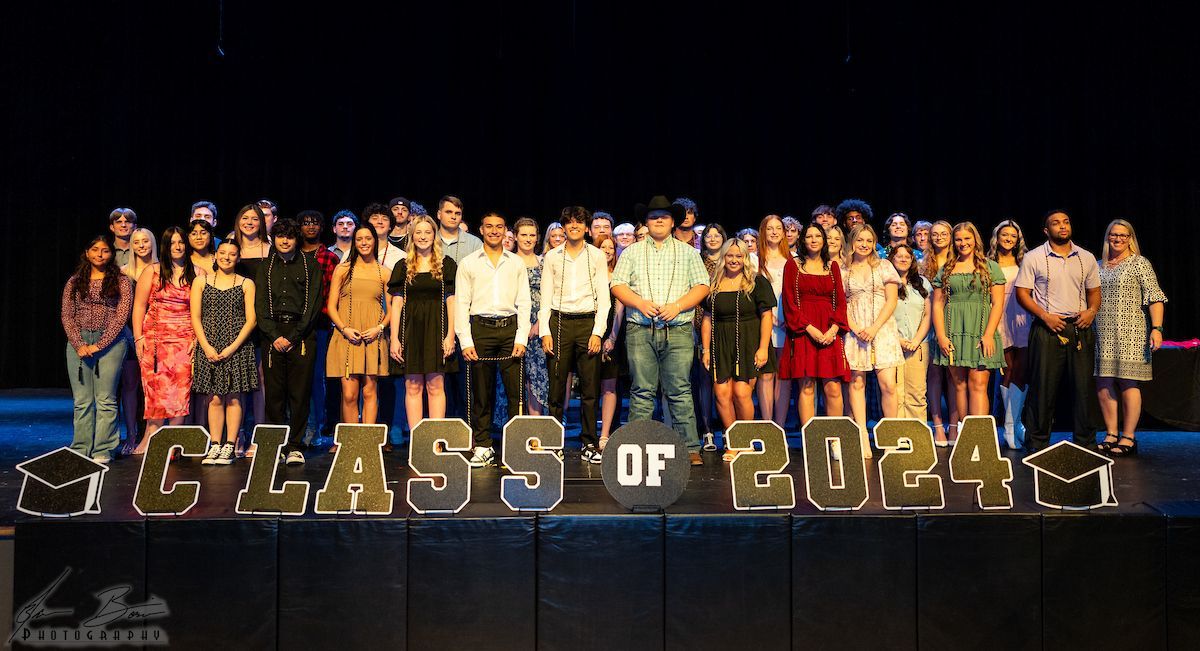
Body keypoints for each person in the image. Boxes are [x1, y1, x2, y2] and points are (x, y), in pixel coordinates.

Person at [611, 195, 711, 466]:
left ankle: (690, 447)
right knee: (641, 390)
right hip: (640, 330)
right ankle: (636, 447)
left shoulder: (688, 252)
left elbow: (702, 286)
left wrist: (678, 306)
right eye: (653, 216)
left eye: (664, 216)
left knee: (679, 390)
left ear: (672, 222)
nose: (658, 220)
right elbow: (617, 285)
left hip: (677, 331)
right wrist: (639, 302)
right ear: (646, 221)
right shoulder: (632, 252)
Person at [1014, 210, 1102, 453]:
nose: (1062, 226)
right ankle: (1037, 443)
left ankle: (1085, 443)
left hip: (1079, 328)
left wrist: (1091, 311)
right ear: (1046, 230)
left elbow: (1094, 292)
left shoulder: (1086, 257)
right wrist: (1045, 316)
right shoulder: (1034, 257)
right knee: (1043, 388)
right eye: (1056, 223)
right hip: (1047, 327)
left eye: (1066, 222)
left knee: (1083, 388)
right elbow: (1022, 293)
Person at [455, 212, 532, 466]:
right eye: (489, 226)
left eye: (499, 226)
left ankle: (514, 447)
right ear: (481, 229)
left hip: (509, 329)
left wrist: (522, 337)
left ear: (505, 230)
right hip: (480, 329)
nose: (494, 231)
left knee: (514, 394)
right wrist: (465, 340)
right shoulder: (468, 263)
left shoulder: (516, 263)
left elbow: (524, 302)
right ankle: (484, 446)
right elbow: (462, 303)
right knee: (481, 394)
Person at [539, 207, 611, 463]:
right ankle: (554, 443)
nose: (574, 227)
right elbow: (545, 298)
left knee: (590, 390)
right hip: (559, 322)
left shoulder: (596, 256)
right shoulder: (552, 257)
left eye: (579, 222)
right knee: (556, 389)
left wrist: (598, 332)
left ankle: (589, 443)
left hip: (587, 322)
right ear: (564, 227)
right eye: (569, 223)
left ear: (586, 227)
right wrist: (545, 331)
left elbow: (604, 298)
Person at [1094, 219, 1166, 457]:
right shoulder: (1098, 265)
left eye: (1123, 236)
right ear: (1107, 237)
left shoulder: (1139, 263)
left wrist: (1157, 328)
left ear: (1130, 238)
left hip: (1131, 331)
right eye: (1114, 235)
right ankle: (1111, 433)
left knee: (1127, 382)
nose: (1118, 239)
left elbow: (1155, 296)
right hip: (1102, 331)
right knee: (1104, 382)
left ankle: (1128, 437)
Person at [256, 218, 324, 465]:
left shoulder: (309, 265)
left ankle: (295, 446)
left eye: (290, 236)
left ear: (297, 239)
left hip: (301, 334)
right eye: (280, 236)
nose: (285, 240)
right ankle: (276, 445)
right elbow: (260, 305)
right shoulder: (266, 267)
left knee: (299, 393)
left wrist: (294, 336)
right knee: (274, 394)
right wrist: (274, 336)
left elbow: (314, 305)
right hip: (272, 334)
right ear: (274, 239)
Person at [701, 239, 776, 462]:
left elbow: (766, 316)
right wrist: (705, 350)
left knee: (742, 393)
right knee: (722, 394)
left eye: (738, 256)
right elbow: (707, 319)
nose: (734, 260)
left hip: (749, 341)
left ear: (745, 258)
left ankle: (745, 440)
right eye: (729, 256)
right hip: (720, 343)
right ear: (723, 258)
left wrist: (763, 348)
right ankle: (732, 442)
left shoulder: (757, 282)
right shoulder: (713, 283)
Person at [62, 235, 132, 462]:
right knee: (82, 400)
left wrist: (100, 344)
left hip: (111, 343)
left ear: (111, 254)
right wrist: (79, 344)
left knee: (105, 398)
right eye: (95, 250)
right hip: (79, 342)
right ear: (87, 253)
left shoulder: (121, 280)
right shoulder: (74, 281)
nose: (100, 254)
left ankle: (103, 448)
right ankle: (81, 447)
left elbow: (122, 316)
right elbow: (67, 315)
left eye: (105, 251)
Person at [931, 223, 1006, 428]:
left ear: (975, 240)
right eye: (958, 239)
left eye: (967, 238)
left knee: (979, 384)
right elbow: (937, 304)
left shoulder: (991, 267)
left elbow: (998, 303)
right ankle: (966, 437)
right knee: (959, 385)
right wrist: (941, 336)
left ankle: (980, 436)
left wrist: (989, 334)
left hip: (981, 331)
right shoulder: (946, 268)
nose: (963, 243)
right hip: (953, 331)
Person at [191, 240, 258, 465]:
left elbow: (251, 320)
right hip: (209, 346)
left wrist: (231, 348)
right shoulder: (201, 281)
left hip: (237, 347)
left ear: (238, 258)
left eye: (232, 254)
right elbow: (195, 318)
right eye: (222, 253)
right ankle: (215, 444)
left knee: (234, 398)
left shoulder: (246, 283)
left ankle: (230, 445)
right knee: (214, 398)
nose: (226, 257)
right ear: (215, 256)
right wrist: (207, 347)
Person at [131, 227, 196, 454]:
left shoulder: (197, 273)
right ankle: (150, 436)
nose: (177, 247)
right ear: (165, 246)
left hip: (184, 339)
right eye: (172, 243)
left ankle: (173, 443)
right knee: (155, 390)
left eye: (181, 242)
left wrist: (196, 339)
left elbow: (200, 311)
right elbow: (139, 306)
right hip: (155, 339)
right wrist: (138, 337)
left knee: (180, 392)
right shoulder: (153, 271)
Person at [389, 215, 458, 426]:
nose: (423, 236)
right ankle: (417, 443)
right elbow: (397, 305)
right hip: (411, 331)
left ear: (434, 235)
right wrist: (394, 339)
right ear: (412, 235)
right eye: (418, 232)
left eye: (428, 232)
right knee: (413, 387)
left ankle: (435, 440)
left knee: (436, 386)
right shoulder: (403, 265)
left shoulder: (446, 264)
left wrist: (450, 335)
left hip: (437, 330)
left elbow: (452, 302)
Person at [780, 224, 850, 427]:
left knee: (833, 388)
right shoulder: (793, 265)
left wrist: (833, 330)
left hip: (829, 332)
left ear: (823, 240)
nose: (813, 239)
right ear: (803, 240)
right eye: (809, 236)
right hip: (804, 333)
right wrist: (810, 329)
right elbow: (790, 303)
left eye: (817, 236)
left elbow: (840, 302)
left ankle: (835, 438)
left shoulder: (832, 266)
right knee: (807, 387)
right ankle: (810, 439)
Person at [843, 224, 902, 458]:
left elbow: (892, 300)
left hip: (882, 329)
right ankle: (861, 437)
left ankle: (890, 437)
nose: (864, 245)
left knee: (888, 384)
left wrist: (875, 327)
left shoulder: (884, 266)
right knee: (857, 383)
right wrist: (856, 328)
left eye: (869, 240)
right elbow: (841, 303)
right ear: (852, 243)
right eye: (860, 240)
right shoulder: (843, 269)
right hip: (855, 331)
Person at [326, 225, 391, 433]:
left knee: (370, 391)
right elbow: (331, 306)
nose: (364, 243)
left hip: (372, 336)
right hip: (347, 336)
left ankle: (368, 441)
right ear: (354, 242)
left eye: (368, 238)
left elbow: (392, 311)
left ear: (375, 241)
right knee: (349, 394)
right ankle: (351, 440)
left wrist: (379, 328)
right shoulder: (343, 269)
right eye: (359, 239)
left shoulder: (384, 273)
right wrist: (344, 328)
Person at [988, 220, 1032, 448]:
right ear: (997, 237)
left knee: (1022, 373)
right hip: (999, 320)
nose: (1008, 239)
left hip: (1023, 318)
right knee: (1007, 371)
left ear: (1018, 240)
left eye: (1012, 236)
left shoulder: (1026, 260)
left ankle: (1015, 423)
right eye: (1004, 235)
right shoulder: (988, 262)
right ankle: (1009, 427)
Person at [299, 209, 341, 444]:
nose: (311, 227)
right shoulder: (291, 254)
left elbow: (331, 296)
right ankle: (298, 425)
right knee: (297, 379)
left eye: (315, 223)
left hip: (320, 325)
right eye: (306, 223)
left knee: (318, 377)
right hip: (293, 328)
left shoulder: (329, 258)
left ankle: (318, 426)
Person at [118, 227, 156, 454]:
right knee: (131, 386)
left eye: (146, 241)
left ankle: (153, 433)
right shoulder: (123, 273)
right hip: (131, 334)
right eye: (137, 242)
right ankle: (132, 434)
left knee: (153, 388)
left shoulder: (162, 270)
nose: (141, 245)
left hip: (158, 334)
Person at [921, 220, 959, 445]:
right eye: (934, 234)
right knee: (934, 375)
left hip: (955, 321)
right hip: (930, 324)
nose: (938, 237)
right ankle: (937, 427)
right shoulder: (923, 263)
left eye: (944, 233)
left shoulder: (960, 261)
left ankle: (953, 426)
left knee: (954, 375)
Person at [755, 215, 791, 425]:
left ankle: (780, 426)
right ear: (763, 231)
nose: (775, 232)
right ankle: (768, 427)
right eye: (770, 228)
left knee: (784, 377)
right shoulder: (754, 259)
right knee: (766, 375)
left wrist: (789, 319)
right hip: (764, 323)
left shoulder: (793, 259)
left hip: (788, 326)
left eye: (779, 228)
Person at [889, 245, 931, 420]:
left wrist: (915, 341)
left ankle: (917, 437)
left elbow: (927, 315)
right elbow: (883, 315)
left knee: (917, 393)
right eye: (899, 256)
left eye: (907, 256)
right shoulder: (887, 283)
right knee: (895, 394)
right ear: (891, 259)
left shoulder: (922, 283)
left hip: (918, 346)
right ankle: (897, 436)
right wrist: (899, 340)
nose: (904, 259)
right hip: (892, 345)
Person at [696, 224, 728, 447]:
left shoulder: (731, 260)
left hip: (728, 325)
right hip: (701, 324)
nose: (713, 238)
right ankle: (707, 430)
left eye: (718, 235)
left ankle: (728, 430)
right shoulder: (696, 262)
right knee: (704, 380)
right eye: (709, 235)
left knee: (726, 381)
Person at [513, 217, 549, 416]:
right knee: (515, 376)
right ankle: (514, 426)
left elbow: (551, 295)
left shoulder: (544, 262)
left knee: (537, 375)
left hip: (539, 326)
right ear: (516, 236)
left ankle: (536, 426)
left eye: (532, 235)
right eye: (523, 235)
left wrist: (539, 323)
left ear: (537, 238)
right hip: (515, 323)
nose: (528, 239)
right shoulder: (508, 261)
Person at [594, 233, 625, 450]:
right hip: (590, 333)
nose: (607, 251)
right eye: (603, 247)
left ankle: (604, 434)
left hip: (612, 335)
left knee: (610, 385)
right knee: (589, 388)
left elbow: (620, 308)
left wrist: (612, 337)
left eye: (611, 248)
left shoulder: (618, 276)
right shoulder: (590, 274)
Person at [437, 195, 483, 265]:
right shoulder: (429, 241)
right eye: (449, 212)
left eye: (457, 213)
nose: (453, 217)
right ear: (439, 215)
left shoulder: (474, 244)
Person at [363, 202, 405, 271]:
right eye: (375, 218)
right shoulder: (353, 252)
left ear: (390, 226)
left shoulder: (401, 256)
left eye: (385, 219)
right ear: (367, 224)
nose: (380, 222)